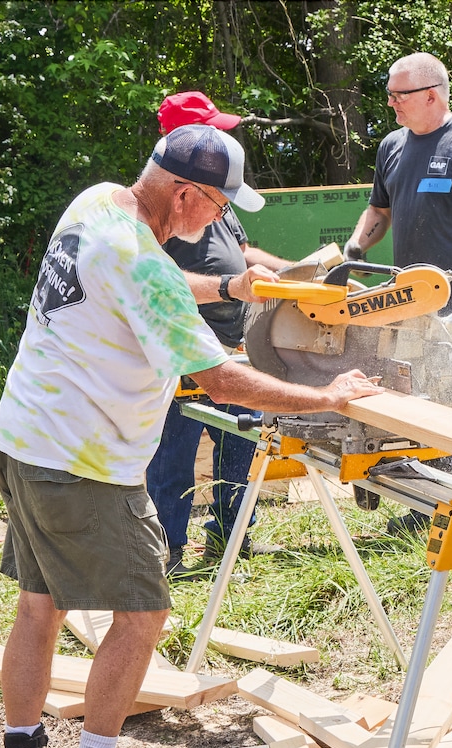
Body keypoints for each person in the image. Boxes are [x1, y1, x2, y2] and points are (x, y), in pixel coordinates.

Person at [0, 124, 382, 748]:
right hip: (86, 464)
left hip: (24, 439)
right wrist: (328, 396)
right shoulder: (139, 259)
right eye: (217, 205)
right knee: (143, 614)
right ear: (185, 192)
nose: (220, 219)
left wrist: (233, 282)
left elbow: (158, 283)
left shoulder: (98, 204)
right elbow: (222, 380)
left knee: (39, 605)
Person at [344, 51, 452, 527]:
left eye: (399, 96)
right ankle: (434, 503)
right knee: (423, 392)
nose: (392, 104)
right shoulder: (392, 146)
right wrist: (354, 248)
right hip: (410, 296)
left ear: (431, 96)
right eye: (391, 95)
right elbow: (378, 212)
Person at [145, 91, 293, 579]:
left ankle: (231, 539)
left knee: (242, 446)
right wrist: (230, 287)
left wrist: (296, 273)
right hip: (183, 352)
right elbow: (157, 282)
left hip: (234, 346)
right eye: (212, 129)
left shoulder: (216, 191)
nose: (224, 136)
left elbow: (244, 253)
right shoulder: (160, 209)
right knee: (172, 460)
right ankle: (168, 552)